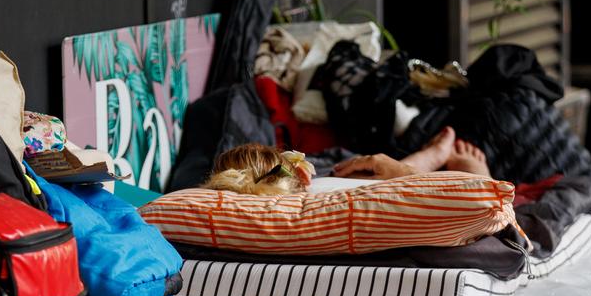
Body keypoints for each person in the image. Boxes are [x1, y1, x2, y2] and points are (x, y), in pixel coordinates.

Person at [203, 126, 491, 196]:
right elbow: (478, 196)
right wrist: (403, 171)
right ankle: (422, 163)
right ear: (303, 176)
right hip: (472, 183)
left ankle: (425, 159)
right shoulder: (321, 194)